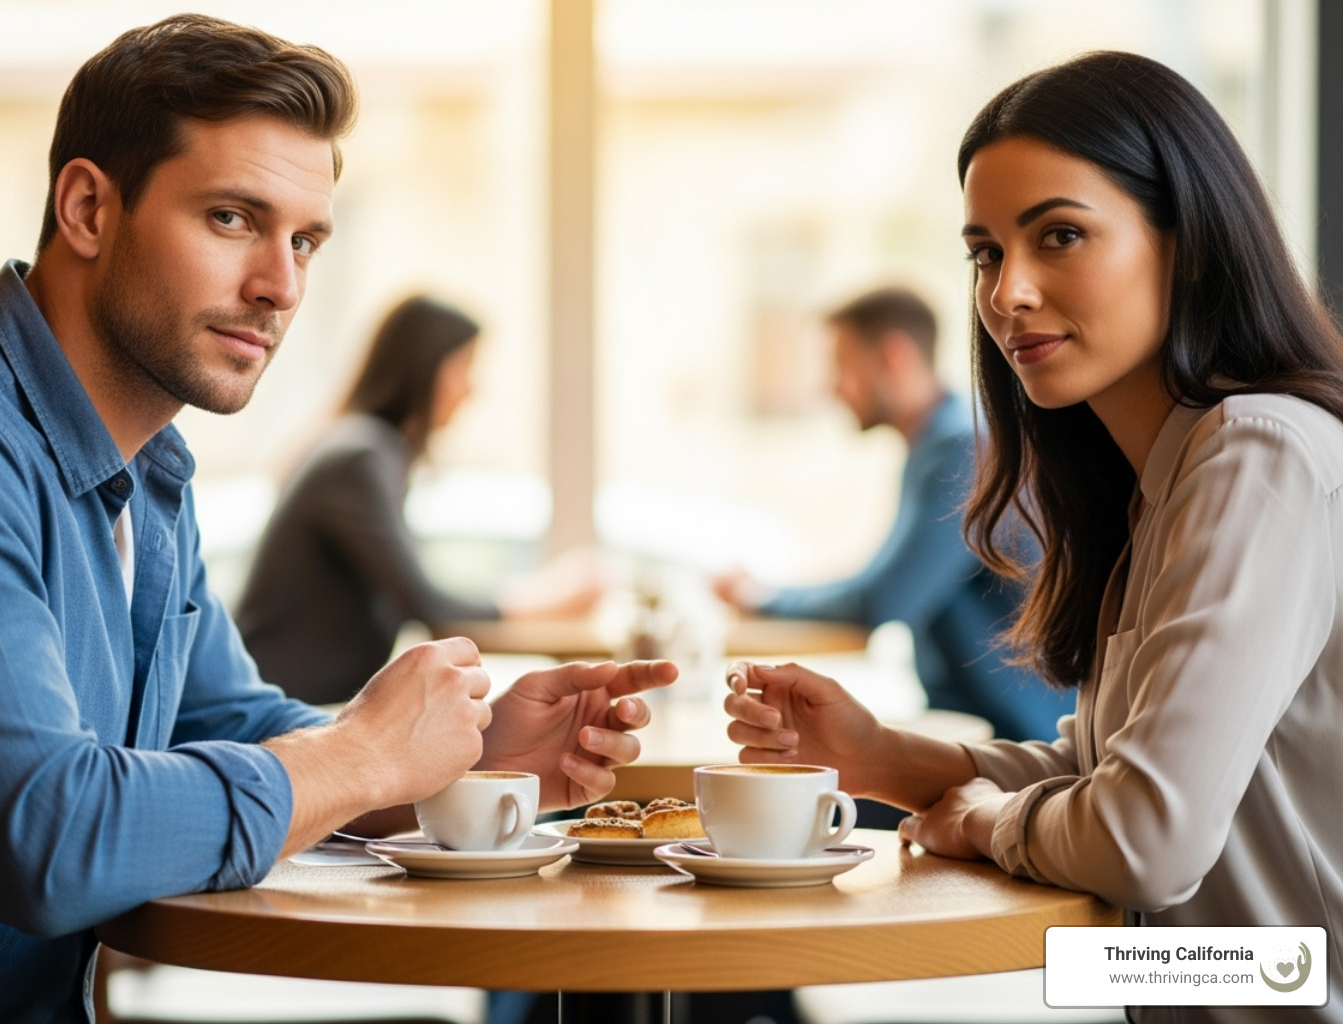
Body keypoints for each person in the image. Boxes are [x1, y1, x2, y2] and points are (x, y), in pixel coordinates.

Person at [0, 16, 675, 1023]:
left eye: (304, 240)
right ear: (88, 208)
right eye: (231, 218)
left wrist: (462, 756)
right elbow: (49, 839)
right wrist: (360, 757)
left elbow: (234, 726)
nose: (281, 287)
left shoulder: (145, 472)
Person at [724, 51, 1342, 1023]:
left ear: (1187, 242)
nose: (1006, 292)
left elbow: (1145, 841)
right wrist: (876, 756)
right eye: (985, 253)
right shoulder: (1162, 483)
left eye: (1060, 235)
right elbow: (1108, 780)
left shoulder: (1259, 455)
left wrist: (989, 823)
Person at [714, 287, 1072, 741]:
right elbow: (887, 581)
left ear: (893, 358)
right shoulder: (944, 443)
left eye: (840, 365)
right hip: (978, 724)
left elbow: (882, 599)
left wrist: (761, 597)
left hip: (1017, 740)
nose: (830, 386)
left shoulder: (964, 450)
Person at [237, 294, 603, 705]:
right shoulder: (358, 459)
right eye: (463, 367)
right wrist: (546, 595)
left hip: (302, 705)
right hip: (275, 712)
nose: (471, 389)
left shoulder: (366, 449)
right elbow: (425, 601)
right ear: (424, 367)